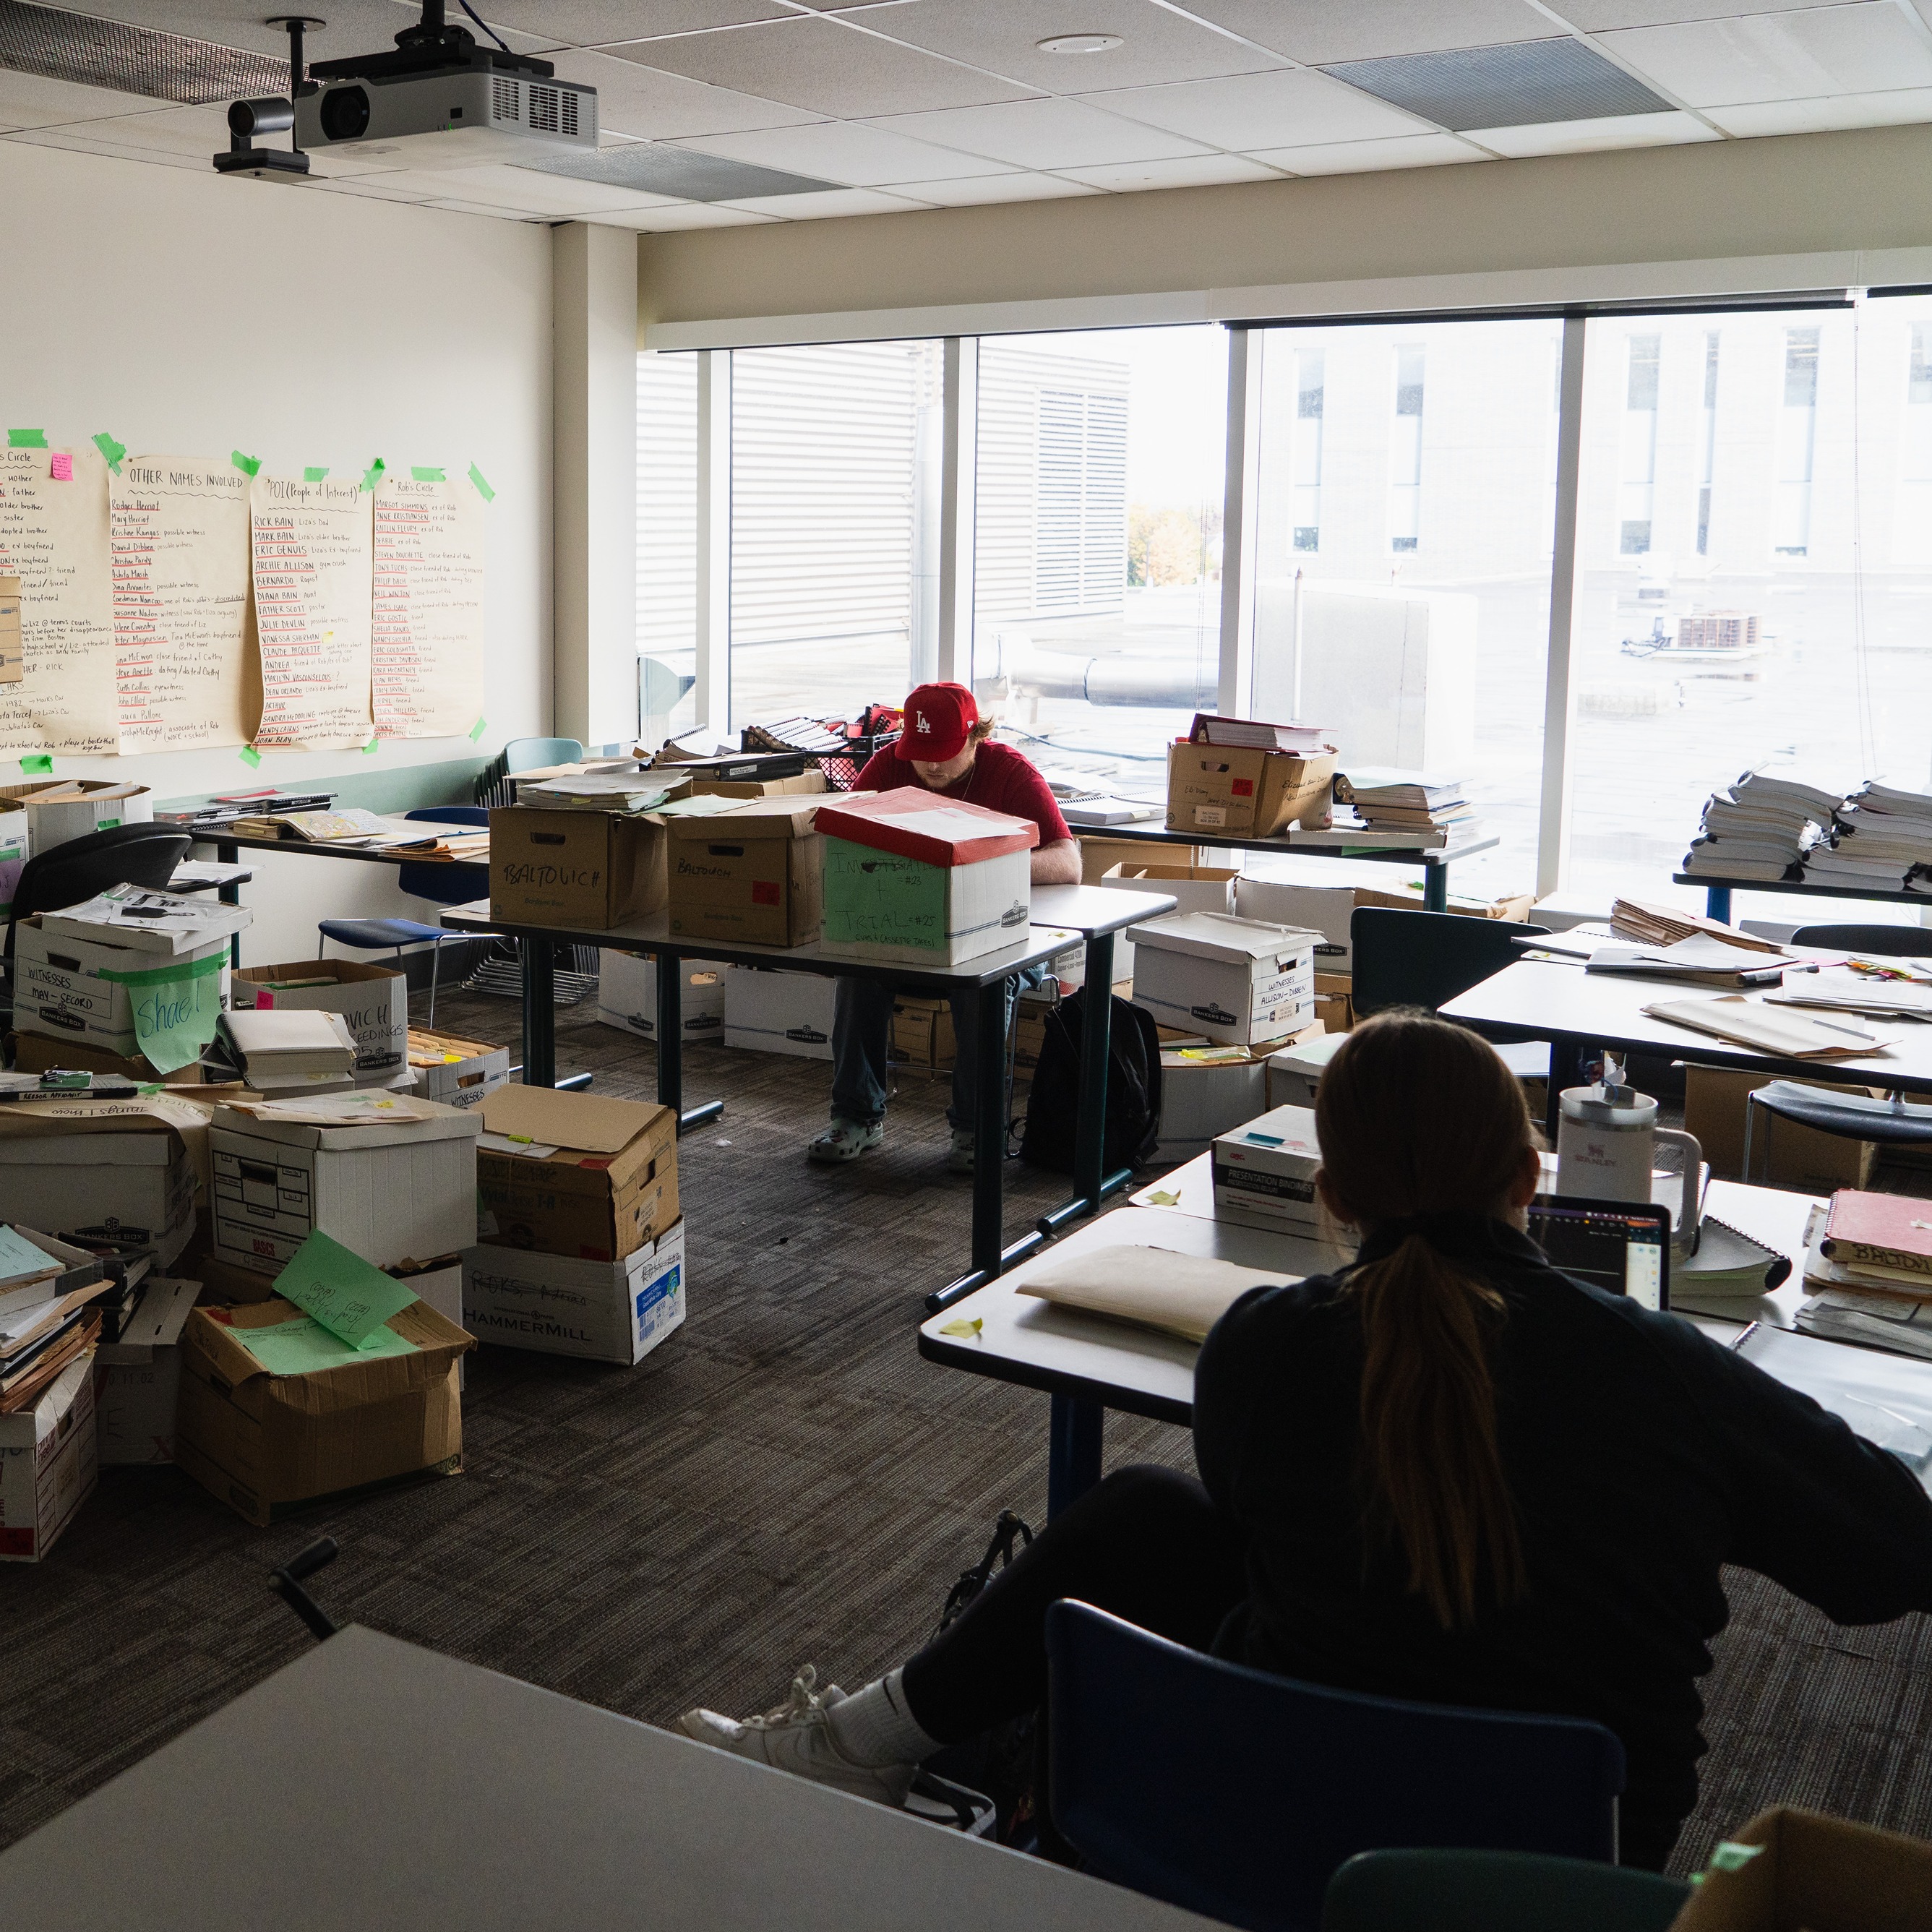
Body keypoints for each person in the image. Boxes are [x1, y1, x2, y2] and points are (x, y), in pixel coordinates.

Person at [687, 1010, 1932, 1869]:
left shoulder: (1263, 1345)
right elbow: (1891, 1561)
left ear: (1329, 1194)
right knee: (1170, 1521)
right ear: (1528, 1175)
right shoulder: (1668, 1372)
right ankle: (858, 1744)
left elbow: (1252, 1521)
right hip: (1562, 1871)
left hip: (1267, 1815)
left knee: (1146, 1515)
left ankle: (859, 1744)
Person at [808, 680, 1081, 1175]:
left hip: (996, 934)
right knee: (856, 976)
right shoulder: (889, 764)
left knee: (982, 989)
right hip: (906, 931)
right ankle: (855, 1117)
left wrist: (981, 866)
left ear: (976, 735)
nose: (931, 765)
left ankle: (976, 1128)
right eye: (920, 752)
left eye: (944, 751)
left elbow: (1067, 861)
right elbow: (841, 834)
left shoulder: (1011, 772)